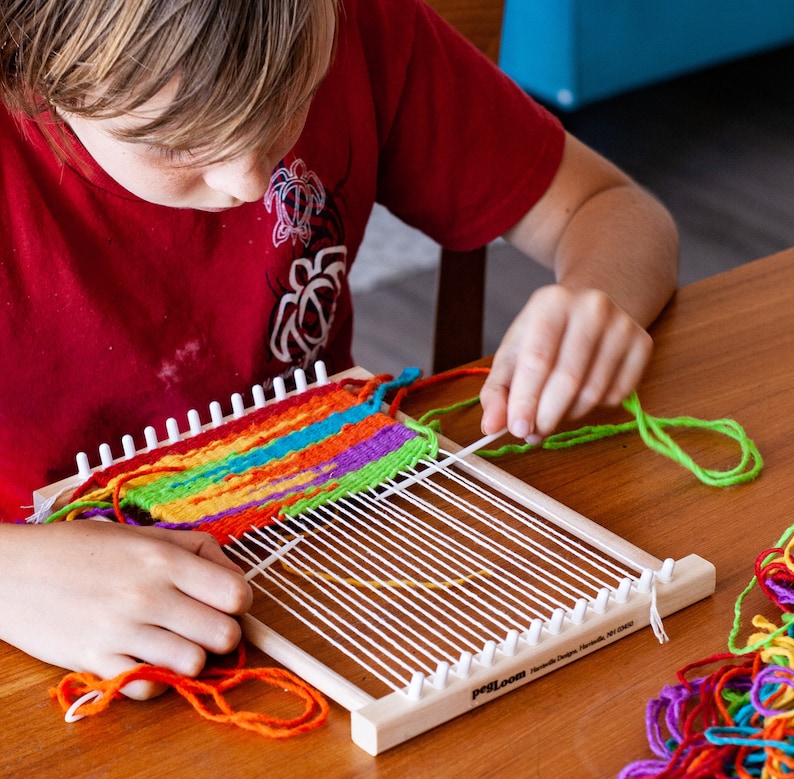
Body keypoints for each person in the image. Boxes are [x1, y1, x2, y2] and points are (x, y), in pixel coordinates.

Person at [0, 0, 678, 698]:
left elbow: (616, 210)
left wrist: (601, 294)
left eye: (293, 96)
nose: (252, 183)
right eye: (173, 143)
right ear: (31, 71)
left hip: (336, 549)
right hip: (58, 633)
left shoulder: (354, 22)